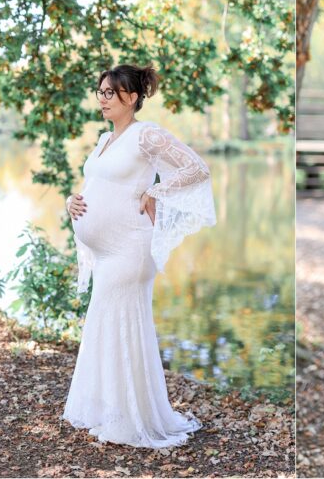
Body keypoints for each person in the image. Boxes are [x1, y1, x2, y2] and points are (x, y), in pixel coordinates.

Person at [61, 64, 216, 448]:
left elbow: (197, 168)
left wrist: (156, 193)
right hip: (107, 251)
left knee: (123, 328)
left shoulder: (146, 134)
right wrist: (72, 201)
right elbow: (95, 183)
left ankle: (131, 419)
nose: (102, 99)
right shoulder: (104, 140)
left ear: (131, 97)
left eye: (109, 93)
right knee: (104, 326)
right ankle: (108, 410)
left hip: (130, 248)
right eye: (99, 92)